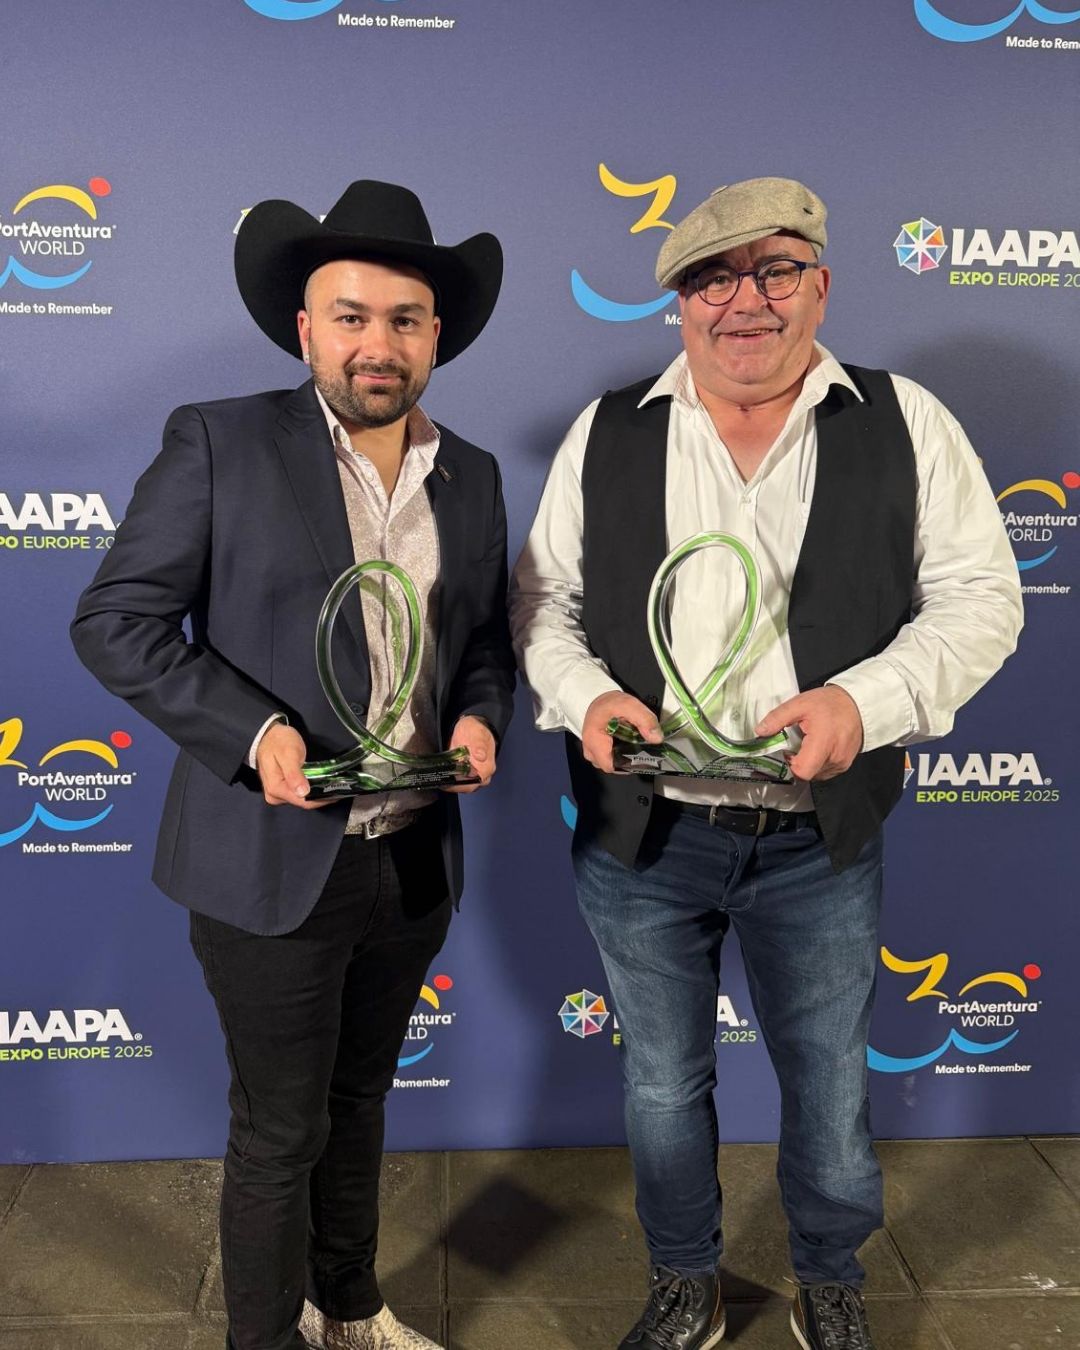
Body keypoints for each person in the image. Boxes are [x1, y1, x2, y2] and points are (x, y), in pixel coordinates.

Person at [510, 177, 1022, 1350]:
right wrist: (587, 700)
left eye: (774, 270)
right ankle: (684, 1279)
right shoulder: (611, 430)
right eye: (712, 278)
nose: (745, 301)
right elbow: (543, 606)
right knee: (660, 1083)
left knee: (831, 1083)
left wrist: (861, 701)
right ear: (681, 303)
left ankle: (829, 1274)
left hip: (815, 837)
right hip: (646, 832)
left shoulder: (906, 420)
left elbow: (983, 598)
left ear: (820, 286)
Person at [72, 179, 514, 1350]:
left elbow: (481, 644)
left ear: (436, 335)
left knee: (359, 1101)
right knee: (279, 1133)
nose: (379, 343)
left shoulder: (470, 472)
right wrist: (253, 734)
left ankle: (349, 1308)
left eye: (404, 319)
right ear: (306, 328)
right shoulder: (219, 441)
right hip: (269, 861)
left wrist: (480, 720)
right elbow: (116, 622)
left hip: (410, 860)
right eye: (352, 316)